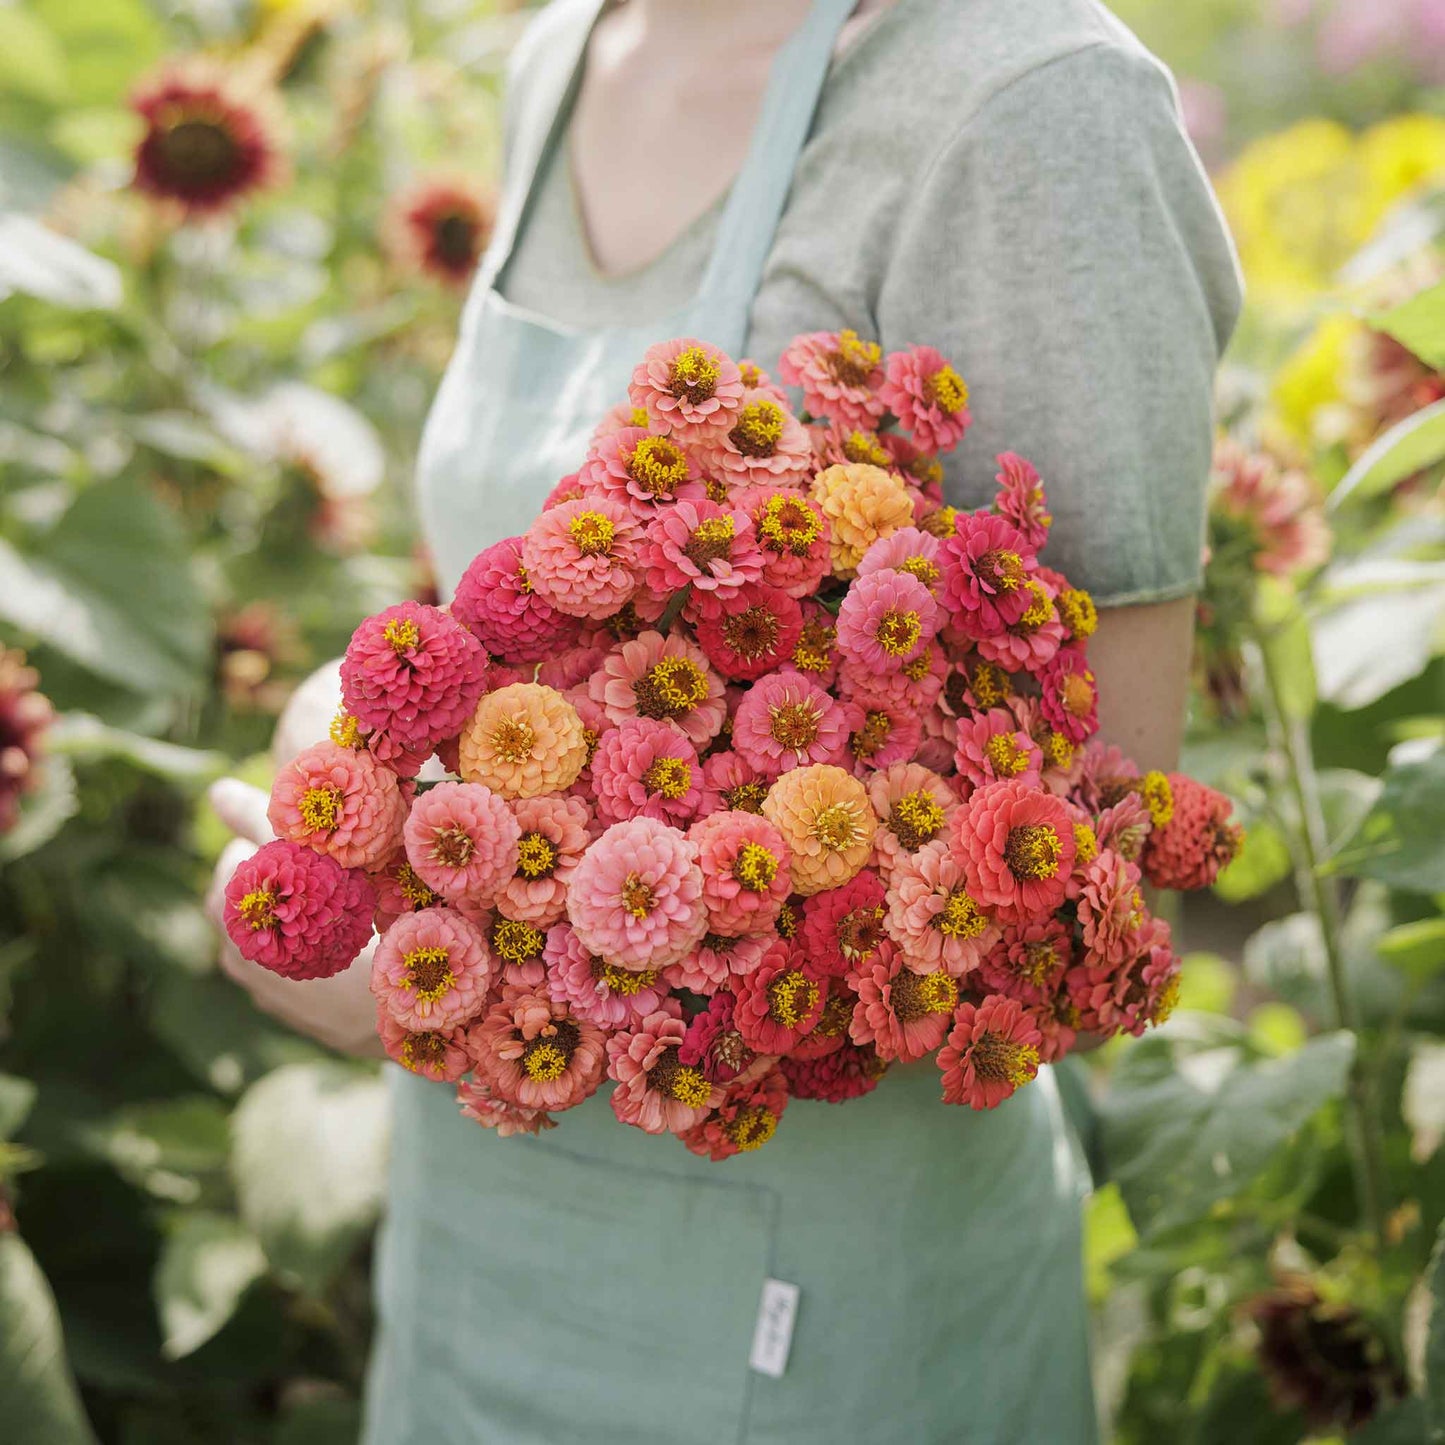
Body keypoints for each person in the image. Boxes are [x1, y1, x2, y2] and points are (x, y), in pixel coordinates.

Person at [208, 0, 1242, 1439]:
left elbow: (1085, 880)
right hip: (477, 1253)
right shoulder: (570, 49)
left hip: (807, 1313)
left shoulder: (1023, 104)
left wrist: (455, 999)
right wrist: (358, 741)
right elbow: (525, 585)